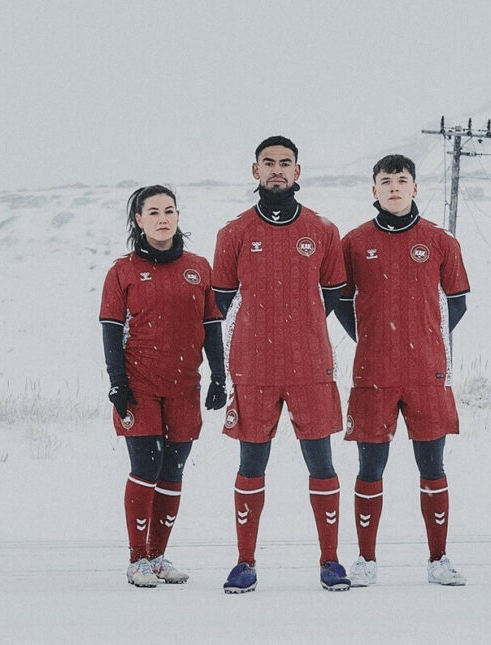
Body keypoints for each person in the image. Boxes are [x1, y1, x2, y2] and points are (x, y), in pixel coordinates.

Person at [212, 136, 350, 593]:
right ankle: (244, 562)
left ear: (297, 172)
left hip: (310, 363)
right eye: (268, 163)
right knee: (252, 463)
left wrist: (298, 326)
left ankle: (330, 560)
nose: (276, 170)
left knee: (322, 462)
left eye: (285, 163)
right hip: (253, 365)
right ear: (255, 171)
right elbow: (221, 303)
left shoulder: (322, 230)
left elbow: (330, 294)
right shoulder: (233, 234)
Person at [336, 154, 471, 587]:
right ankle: (366, 560)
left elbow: (458, 302)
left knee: (432, 466)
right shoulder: (355, 242)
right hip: (372, 372)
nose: (394, 187)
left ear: (415, 188)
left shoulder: (439, 241)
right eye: (385, 180)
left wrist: (425, 334)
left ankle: (438, 560)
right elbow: (339, 300)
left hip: (426, 371)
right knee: (369, 467)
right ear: (373, 190)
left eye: (402, 180)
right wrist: (372, 336)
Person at [99, 185, 227, 588]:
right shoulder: (122, 271)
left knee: (173, 471)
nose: (162, 217)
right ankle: (137, 558)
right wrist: (117, 384)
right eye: (152, 211)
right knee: (146, 466)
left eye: (169, 210)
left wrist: (219, 376)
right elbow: (111, 330)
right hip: (140, 385)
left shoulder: (198, 267)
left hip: (185, 385)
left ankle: (158, 556)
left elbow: (212, 326)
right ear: (138, 220)